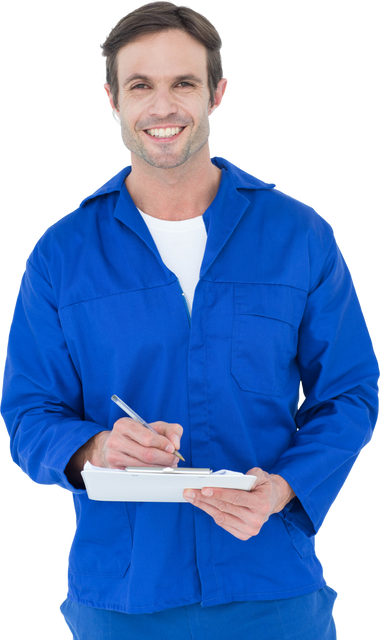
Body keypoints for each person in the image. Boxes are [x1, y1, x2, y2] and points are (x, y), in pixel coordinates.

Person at [1, 2, 379, 638]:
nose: (163, 106)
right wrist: (94, 448)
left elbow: (349, 394)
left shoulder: (300, 235)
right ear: (111, 98)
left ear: (219, 93)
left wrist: (284, 488)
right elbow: (28, 414)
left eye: (184, 83)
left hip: (271, 588)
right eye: (141, 85)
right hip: (121, 597)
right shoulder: (62, 253)